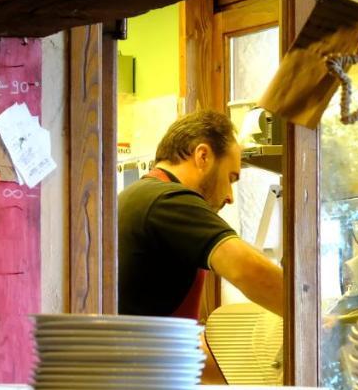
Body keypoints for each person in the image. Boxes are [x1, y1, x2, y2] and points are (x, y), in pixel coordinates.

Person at [118, 110, 284, 318]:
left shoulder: (140, 196)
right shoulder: (169, 200)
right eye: (230, 178)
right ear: (203, 156)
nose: (230, 196)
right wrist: (317, 321)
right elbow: (248, 270)